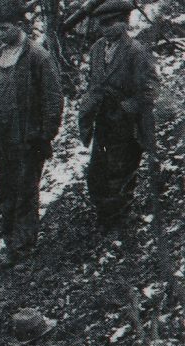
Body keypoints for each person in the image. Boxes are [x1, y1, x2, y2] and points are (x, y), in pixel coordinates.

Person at [0, 0, 64, 263]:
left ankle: (23, 246)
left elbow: (53, 99)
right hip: (1, 136)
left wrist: (44, 134)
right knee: (5, 189)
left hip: (28, 138)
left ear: (19, 25)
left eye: (4, 28)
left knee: (25, 190)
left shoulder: (38, 56)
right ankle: (9, 241)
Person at [79, 0, 158, 237]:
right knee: (97, 172)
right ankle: (105, 215)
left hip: (126, 123)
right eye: (100, 24)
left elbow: (151, 87)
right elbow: (93, 83)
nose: (103, 28)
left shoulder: (136, 51)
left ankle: (118, 221)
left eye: (109, 23)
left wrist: (129, 106)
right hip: (102, 119)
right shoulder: (97, 50)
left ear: (124, 23)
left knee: (120, 171)